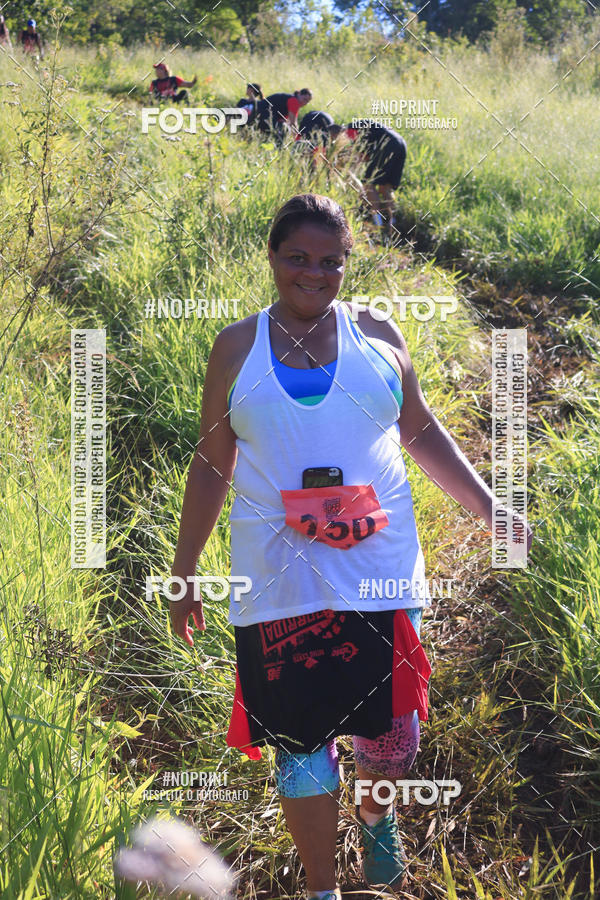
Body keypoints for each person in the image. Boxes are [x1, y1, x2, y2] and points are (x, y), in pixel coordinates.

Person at [170, 193, 532, 900]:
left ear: (346, 265)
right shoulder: (236, 347)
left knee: (392, 742)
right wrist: (184, 573)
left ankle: (375, 819)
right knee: (302, 751)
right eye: (298, 259)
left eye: (330, 262)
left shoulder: (379, 335)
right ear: (273, 258)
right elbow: (213, 463)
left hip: (380, 571)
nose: (314, 273)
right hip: (278, 580)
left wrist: (492, 509)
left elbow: (421, 432)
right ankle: (322, 889)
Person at [331, 122, 407, 241]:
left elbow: (362, 155)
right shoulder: (359, 126)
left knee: (368, 184)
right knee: (385, 187)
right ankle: (393, 224)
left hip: (387, 145)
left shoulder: (349, 131)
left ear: (338, 134)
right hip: (400, 142)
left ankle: (377, 223)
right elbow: (366, 154)